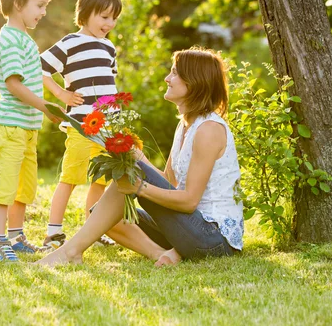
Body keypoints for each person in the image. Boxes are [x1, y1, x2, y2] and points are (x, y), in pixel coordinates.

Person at [38, 47, 244, 266]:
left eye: (174, 73)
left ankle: (70, 252)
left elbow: (189, 201)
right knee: (101, 213)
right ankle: (160, 254)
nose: (167, 78)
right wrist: (138, 157)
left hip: (213, 238)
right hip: (187, 228)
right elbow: (170, 183)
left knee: (131, 177)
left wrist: (139, 187)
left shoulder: (208, 129)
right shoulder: (185, 126)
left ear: (193, 81)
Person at [40, 0, 123, 250]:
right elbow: (39, 68)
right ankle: (53, 232)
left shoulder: (109, 48)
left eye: (114, 18)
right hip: (80, 125)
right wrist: (61, 94)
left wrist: (116, 113)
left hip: (107, 127)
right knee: (71, 177)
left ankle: (93, 229)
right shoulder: (70, 43)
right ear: (86, 13)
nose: (109, 23)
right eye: (104, 16)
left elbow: (108, 84)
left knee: (100, 179)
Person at [0, 0, 61, 262]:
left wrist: (56, 99)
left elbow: (35, 78)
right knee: (6, 186)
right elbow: (13, 84)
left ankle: (16, 237)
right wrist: (45, 107)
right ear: (19, 4)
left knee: (24, 188)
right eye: (40, 5)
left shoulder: (25, 40)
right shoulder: (10, 40)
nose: (43, 12)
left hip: (27, 128)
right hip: (10, 126)